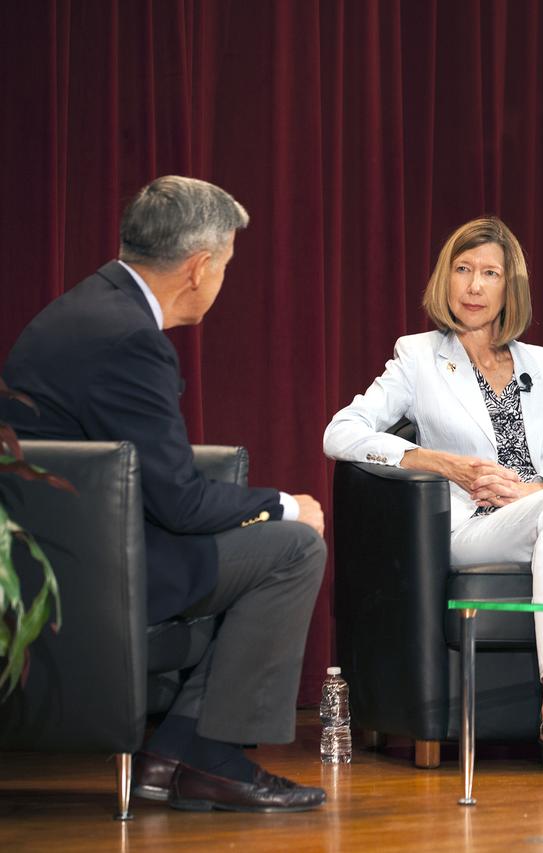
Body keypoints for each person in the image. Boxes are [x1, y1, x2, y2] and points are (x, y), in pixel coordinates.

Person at [1, 176, 328, 812]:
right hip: (82, 571)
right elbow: (176, 502)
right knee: (293, 546)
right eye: (228, 265)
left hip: (63, 543)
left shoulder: (88, 306)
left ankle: (179, 753)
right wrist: (285, 504)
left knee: (265, 537)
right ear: (200, 267)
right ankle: (202, 756)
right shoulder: (128, 339)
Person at [324, 217, 543, 775]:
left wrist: (536, 487)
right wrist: (439, 463)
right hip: (476, 526)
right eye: (463, 270)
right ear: (446, 279)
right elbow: (340, 433)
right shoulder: (418, 357)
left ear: (512, 288)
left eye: (491, 273)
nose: (475, 286)